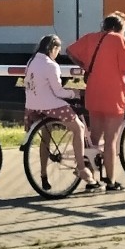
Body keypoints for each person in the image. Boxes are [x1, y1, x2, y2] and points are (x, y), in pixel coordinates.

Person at [66, 11, 125, 193]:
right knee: (111, 141)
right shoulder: (118, 39)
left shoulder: (91, 38)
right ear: (118, 28)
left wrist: (84, 65)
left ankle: (90, 179)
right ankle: (111, 183)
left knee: (95, 138)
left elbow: (69, 50)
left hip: (94, 94)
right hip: (113, 96)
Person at [25, 34, 99, 191]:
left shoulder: (31, 62)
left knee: (46, 137)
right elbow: (58, 92)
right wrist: (74, 93)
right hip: (50, 105)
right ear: (53, 48)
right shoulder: (51, 65)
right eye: (57, 50)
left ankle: (44, 175)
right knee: (78, 128)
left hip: (33, 106)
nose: (58, 54)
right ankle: (81, 167)